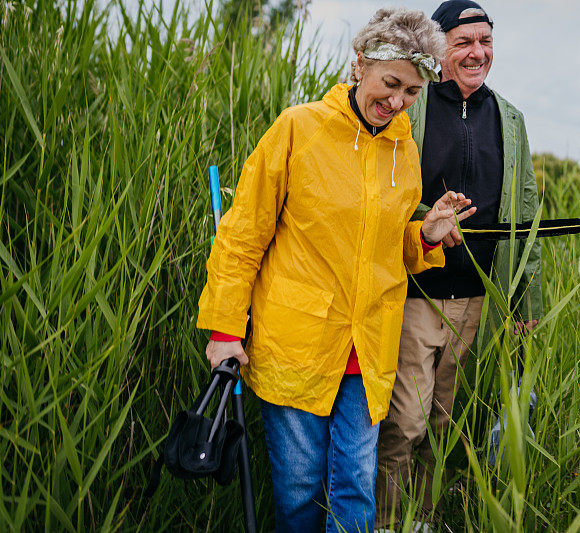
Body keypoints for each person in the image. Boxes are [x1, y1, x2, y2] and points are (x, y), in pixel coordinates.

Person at [196, 8, 477, 532]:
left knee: (355, 486)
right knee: (301, 491)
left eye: (412, 92)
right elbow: (242, 235)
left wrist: (426, 235)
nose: (397, 102)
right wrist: (226, 329)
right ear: (361, 63)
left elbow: (383, 246)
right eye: (391, 83)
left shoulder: (403, 148)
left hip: (368, 349)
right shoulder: (298, 128)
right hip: (298, 343)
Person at [376, 0, 544, 526]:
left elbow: (526, 213)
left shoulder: (509, 118)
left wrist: (525, 299)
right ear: (439, 46)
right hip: (416, 293)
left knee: (445, 422)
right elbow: (385, 190)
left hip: (476, 299)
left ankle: (421, 519)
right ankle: (384, 520)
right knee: (405, 420)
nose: (478, 53)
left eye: (485, 42)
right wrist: (431, 217)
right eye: (464, 42)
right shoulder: (414, 104)